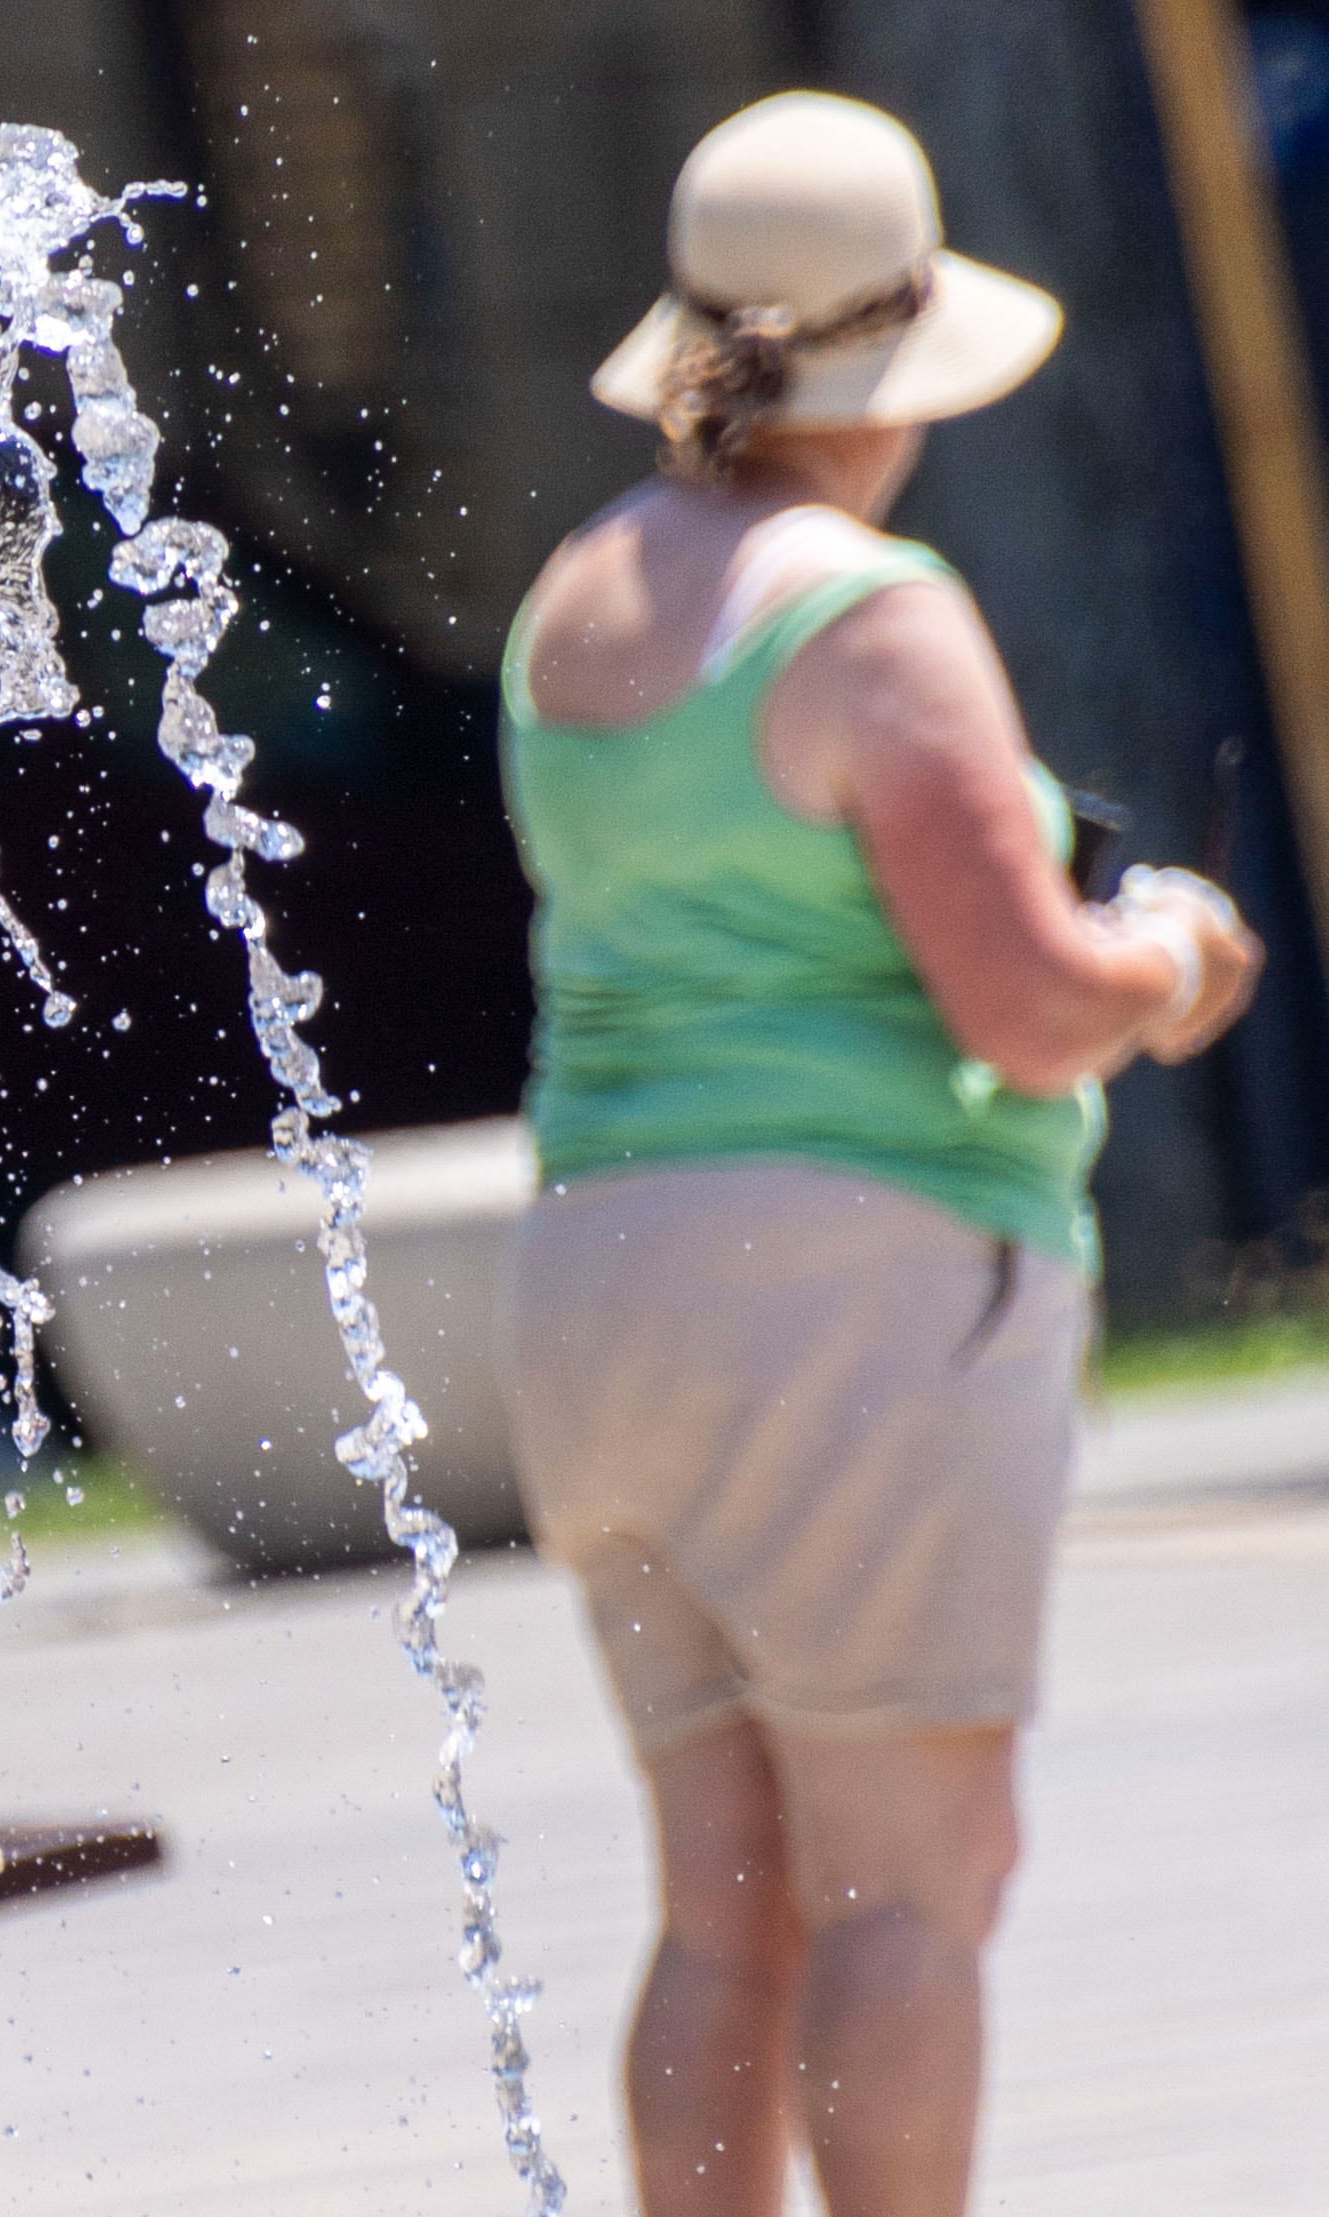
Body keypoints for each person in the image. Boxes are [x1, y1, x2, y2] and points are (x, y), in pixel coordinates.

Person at [497, 93, 1263, 2217]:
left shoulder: (573, 597)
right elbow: (1018, 1002)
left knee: (719, 1903)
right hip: (849, 1287)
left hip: (594, 1285)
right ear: (892, 361)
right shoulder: (870, 610)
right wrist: (1168, 955)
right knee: (911, 1888)